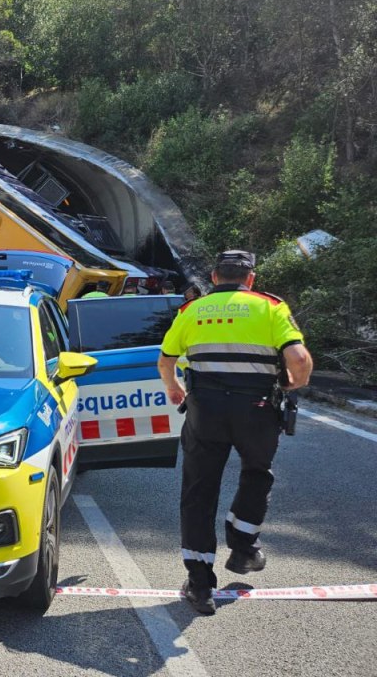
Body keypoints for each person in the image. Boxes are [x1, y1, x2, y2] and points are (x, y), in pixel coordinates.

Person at [157, 250, 313, 615]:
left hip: (205, 411)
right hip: (256, 410)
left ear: (214, 278)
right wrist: (291, 385)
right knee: (257, 475)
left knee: (199, 491)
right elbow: (300, 360)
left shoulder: (192, 311)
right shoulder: (270, 308)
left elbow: (165, 360)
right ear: (250, 280)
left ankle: (199, 586)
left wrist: (174, 387)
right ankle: (243, 549)